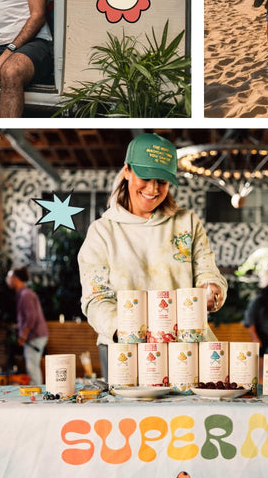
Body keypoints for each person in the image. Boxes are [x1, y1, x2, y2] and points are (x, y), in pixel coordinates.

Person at [79, 133, 227, 372]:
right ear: (127, 171)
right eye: (145, 178)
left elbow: (208, 272)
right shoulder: (102, 232)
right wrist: (127, 330)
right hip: (126, 351)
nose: (153, 189)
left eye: (162, 181)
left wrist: (212, 289)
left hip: (187, 349)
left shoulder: (186, 223)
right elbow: (96, 299)